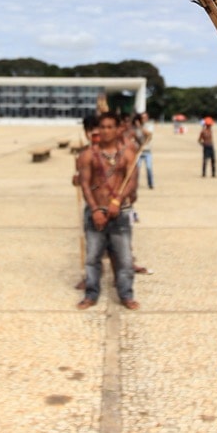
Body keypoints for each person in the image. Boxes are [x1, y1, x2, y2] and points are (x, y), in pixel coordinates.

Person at [77, 112, 140, 310]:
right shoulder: (87, 155)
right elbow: (85, 184)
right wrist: (95, 209)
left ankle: (126, 294)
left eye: (110, 127)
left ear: (117, 129)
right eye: (102, 127)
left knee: (124, 258)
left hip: (118, 213)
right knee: (93, 257)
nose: (106, 131)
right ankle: (91, 293)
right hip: (95, 213)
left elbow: (131, 181)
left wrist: (118, 200)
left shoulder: (128, 154)